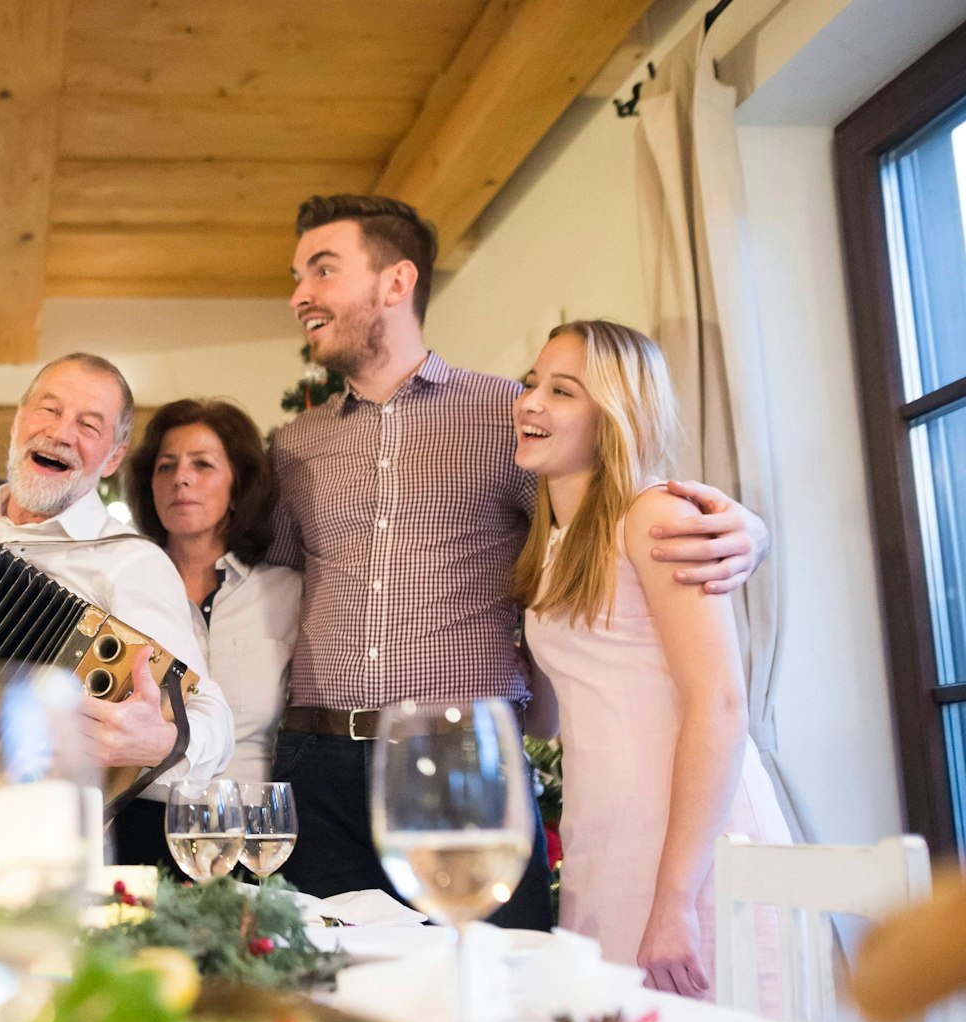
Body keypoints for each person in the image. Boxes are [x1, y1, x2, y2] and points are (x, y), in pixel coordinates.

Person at [269, 194, 770, 924]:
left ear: (396, 282)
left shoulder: (512, 418)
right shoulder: (292, 447)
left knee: (502, 995)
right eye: (297, 275)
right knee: (338, 1004)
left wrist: (750, 528)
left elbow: (613, 508)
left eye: (321, 270)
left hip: (464, 766)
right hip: (315, 766)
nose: (299, 295)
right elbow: (258, 587)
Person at [514, 320, 789, 1002]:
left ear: (613, 414)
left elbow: (722, 704)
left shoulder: (654, 515)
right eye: (530, 385)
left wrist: (676, 899)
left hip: (688, 847)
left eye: (562, 390)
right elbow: (550, 718)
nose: (530, 403)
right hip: (603, 841)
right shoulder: (553, 545)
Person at [0, 353, 234, 862]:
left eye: (88, 425)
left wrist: (162, 743)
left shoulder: (128, 564)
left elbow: (209, 712)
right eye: (49, 410)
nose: (61, 433)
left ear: (112, 457)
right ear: (18, 421)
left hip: (54, 849)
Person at [123, 399, 301, 788]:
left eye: (202, 464)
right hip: (143, 815)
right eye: (165, 466)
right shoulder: (125, 585)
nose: (180, 478)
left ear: (238, 487)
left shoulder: (286, 592)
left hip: (250, 822)